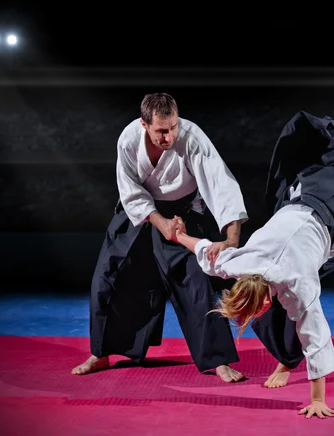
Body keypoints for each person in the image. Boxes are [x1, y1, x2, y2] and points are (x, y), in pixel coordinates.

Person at [173, 83, 334, 417]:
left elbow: (315, 335)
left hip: (322, 219)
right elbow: (208, 256)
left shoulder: (294, 284)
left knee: (319, 155)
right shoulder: (241, 263)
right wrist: (180, 238)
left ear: (264, 297)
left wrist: (318, 399)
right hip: (300, 201)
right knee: (312, 154)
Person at [72, 92, 248, 383]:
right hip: (140, 213)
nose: (169, 136)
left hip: (182, 215)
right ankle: (101, 353)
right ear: (144, 124)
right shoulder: (128, 139)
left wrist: (231, 239)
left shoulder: (192, 139)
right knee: (107, 277)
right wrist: (158, 221)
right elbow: (129, 190)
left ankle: (219, 361)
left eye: (173, 127)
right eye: (161, 131)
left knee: (196, 282)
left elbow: (221, 185)